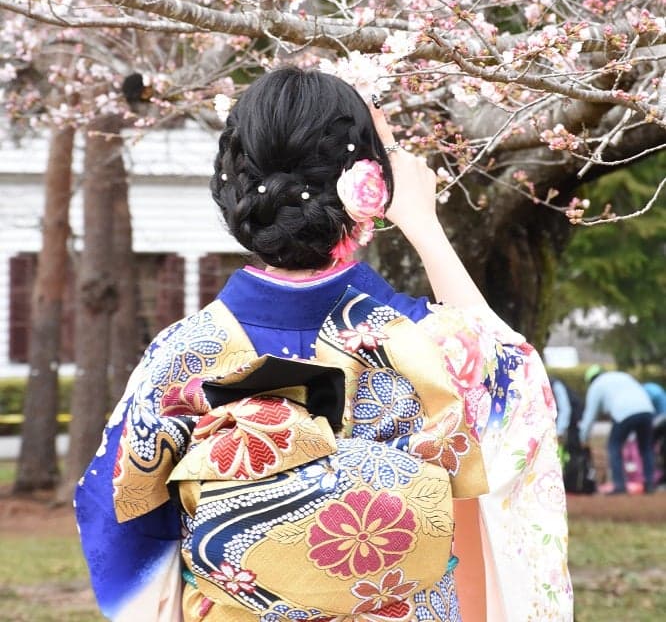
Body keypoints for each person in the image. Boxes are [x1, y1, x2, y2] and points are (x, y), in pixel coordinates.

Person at [75, 67, 572, 622]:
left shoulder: (180, 354)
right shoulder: (438, 343)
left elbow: (115, 514)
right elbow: (517, 387)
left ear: (233, 189)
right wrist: (422, 224)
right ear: (370, 187)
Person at [579, 364, 655, 494]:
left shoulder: (596, 386)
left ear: (590, 380)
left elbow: (590, 416)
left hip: (623, 413)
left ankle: (619, 485)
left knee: (614, 446)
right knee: (646, 447)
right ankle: (649, 484)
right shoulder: (622, 376)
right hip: (646, 409)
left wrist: (583, 437)